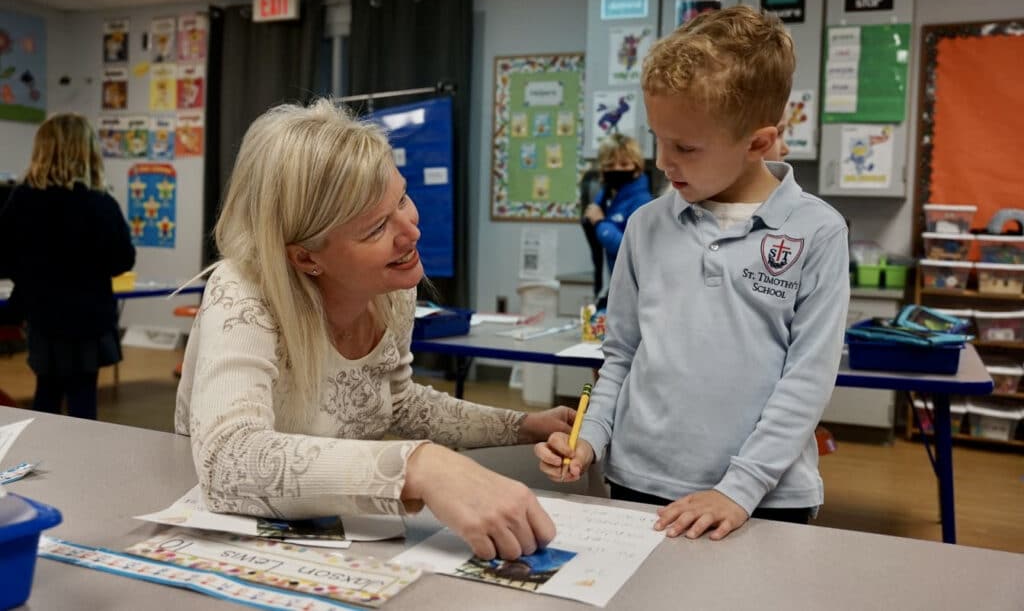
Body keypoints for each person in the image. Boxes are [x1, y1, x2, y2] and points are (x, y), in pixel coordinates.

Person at [174, 99, 575, 561]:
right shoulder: (242, 291)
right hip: (223, 540)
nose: (411, 231)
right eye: (376, 228)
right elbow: (229, 460)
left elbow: (394, 402)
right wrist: (419, 466)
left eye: (401, 198)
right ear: (305, 257)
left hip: (331, 539)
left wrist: (520, 427)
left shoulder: (391, 289)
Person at [536, 6, 849, 540]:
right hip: (638, 479)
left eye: (684, 147)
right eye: (658, 138)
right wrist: (591, 435)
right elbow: (622, 357)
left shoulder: (817, 232)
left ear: (757, 142)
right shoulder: (644, 225)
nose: (662, 161)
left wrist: (739, 488)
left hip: (762, 496)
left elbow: (807, 380)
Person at [0, 113, 135, 419]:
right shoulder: (100, 203)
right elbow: (123, 260)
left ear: (42, 150)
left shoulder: (21, 200)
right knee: (83, 401)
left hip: (43, 319)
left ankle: (40, 461)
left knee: (45, 396)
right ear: (88, 152)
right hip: (89, 322)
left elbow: (4, 257)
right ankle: (83, 463)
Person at [581, 134, 653, 296]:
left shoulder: (643, 203)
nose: (617, 169)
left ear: (637, 167)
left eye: (624, 164)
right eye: (610, 164)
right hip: (609, 287)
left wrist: (600, 224)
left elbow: (631, 251)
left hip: (633, 292)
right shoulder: (606, 197)